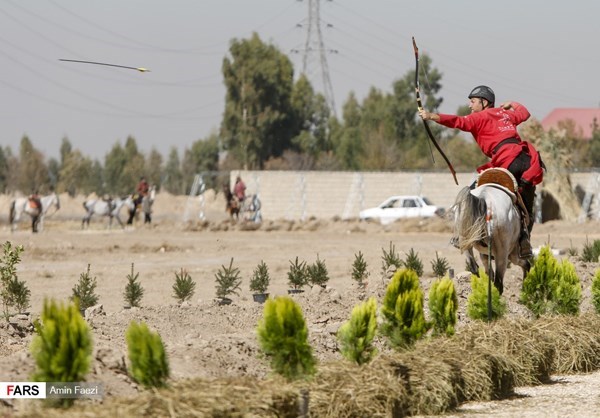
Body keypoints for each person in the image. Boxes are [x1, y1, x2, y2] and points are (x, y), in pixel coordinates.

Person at [419, 85, 544, 258]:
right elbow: (525, 113)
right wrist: (511, 103)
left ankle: (462, 234)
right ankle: (524, 242)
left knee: (473, 192)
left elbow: (457, 121)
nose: (470, 106)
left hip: (506, 161)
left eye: (473, 102)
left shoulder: (478, 117)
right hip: (525, 161)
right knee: (525, 206)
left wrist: (431, 116)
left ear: (484, 103)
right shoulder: (506, 114)